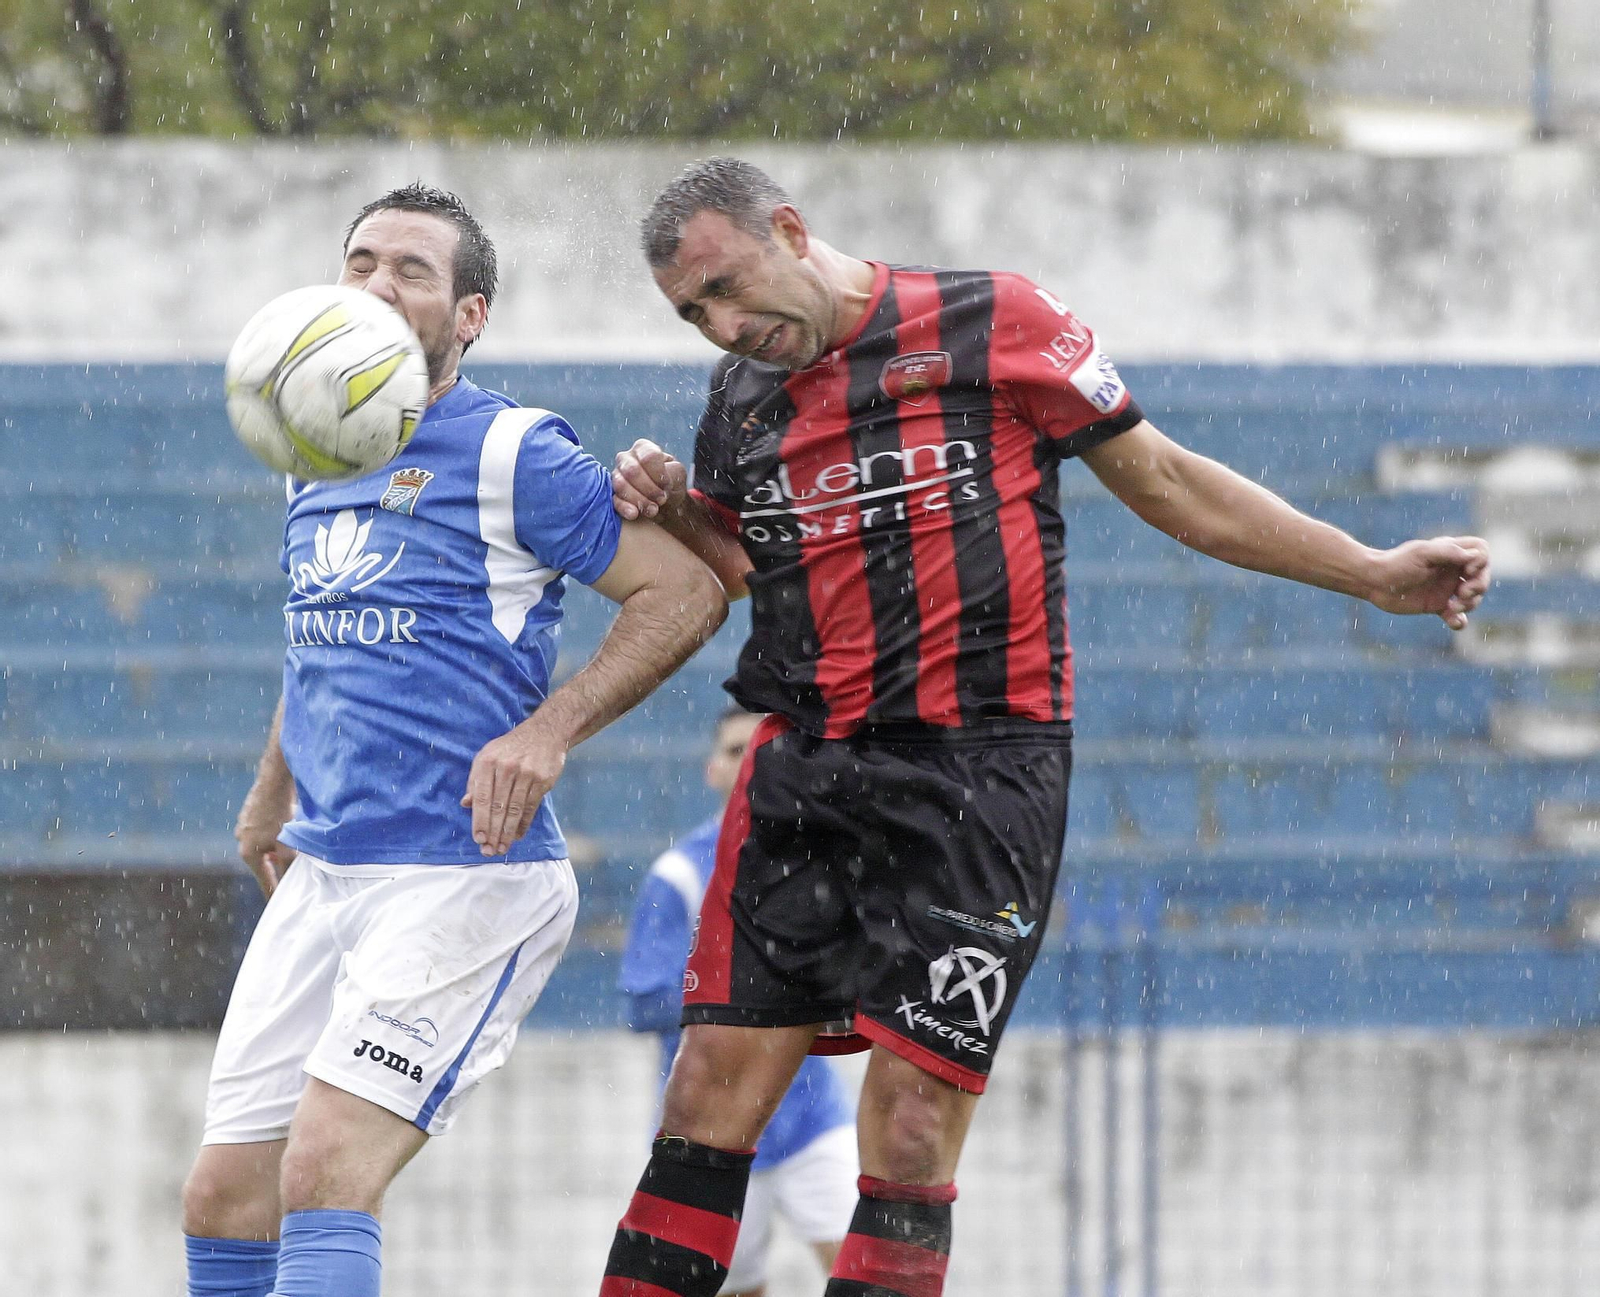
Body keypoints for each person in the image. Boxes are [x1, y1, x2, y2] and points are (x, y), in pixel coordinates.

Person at [598, 157, 1493, 1297]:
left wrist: (1369, 572)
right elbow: (736, 572)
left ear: (788, 228)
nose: (723, 325)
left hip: (982, 776)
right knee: (702, 1095)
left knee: (911, 1126)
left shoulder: (992, 322)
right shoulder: (739, 399)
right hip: (810, 763)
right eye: (693, 314)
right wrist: (677, 511)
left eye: (727, 286)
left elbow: (1168, 481)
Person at [179, 182, 727, 1297]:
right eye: (362, 261)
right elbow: (321, 634)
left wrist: (548, 728)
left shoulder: (515, 450)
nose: (379, 284)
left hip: (462, 875)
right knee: (224, 1198)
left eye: (412, 271)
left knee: (326, 1170)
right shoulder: (309, 446)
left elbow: (688, 589)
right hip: (329, 870)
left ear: (468, 316)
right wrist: (267, 791)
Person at [621, 705, 858, 1297]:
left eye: (761, 746)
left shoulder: (815, 861)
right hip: (713, 1127)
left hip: (812, 1121)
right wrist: (744, 988)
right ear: (712, 770)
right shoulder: (677, 875)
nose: (750, 759)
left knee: (867, 1272)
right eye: (734, 749)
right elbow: (644, 1001)